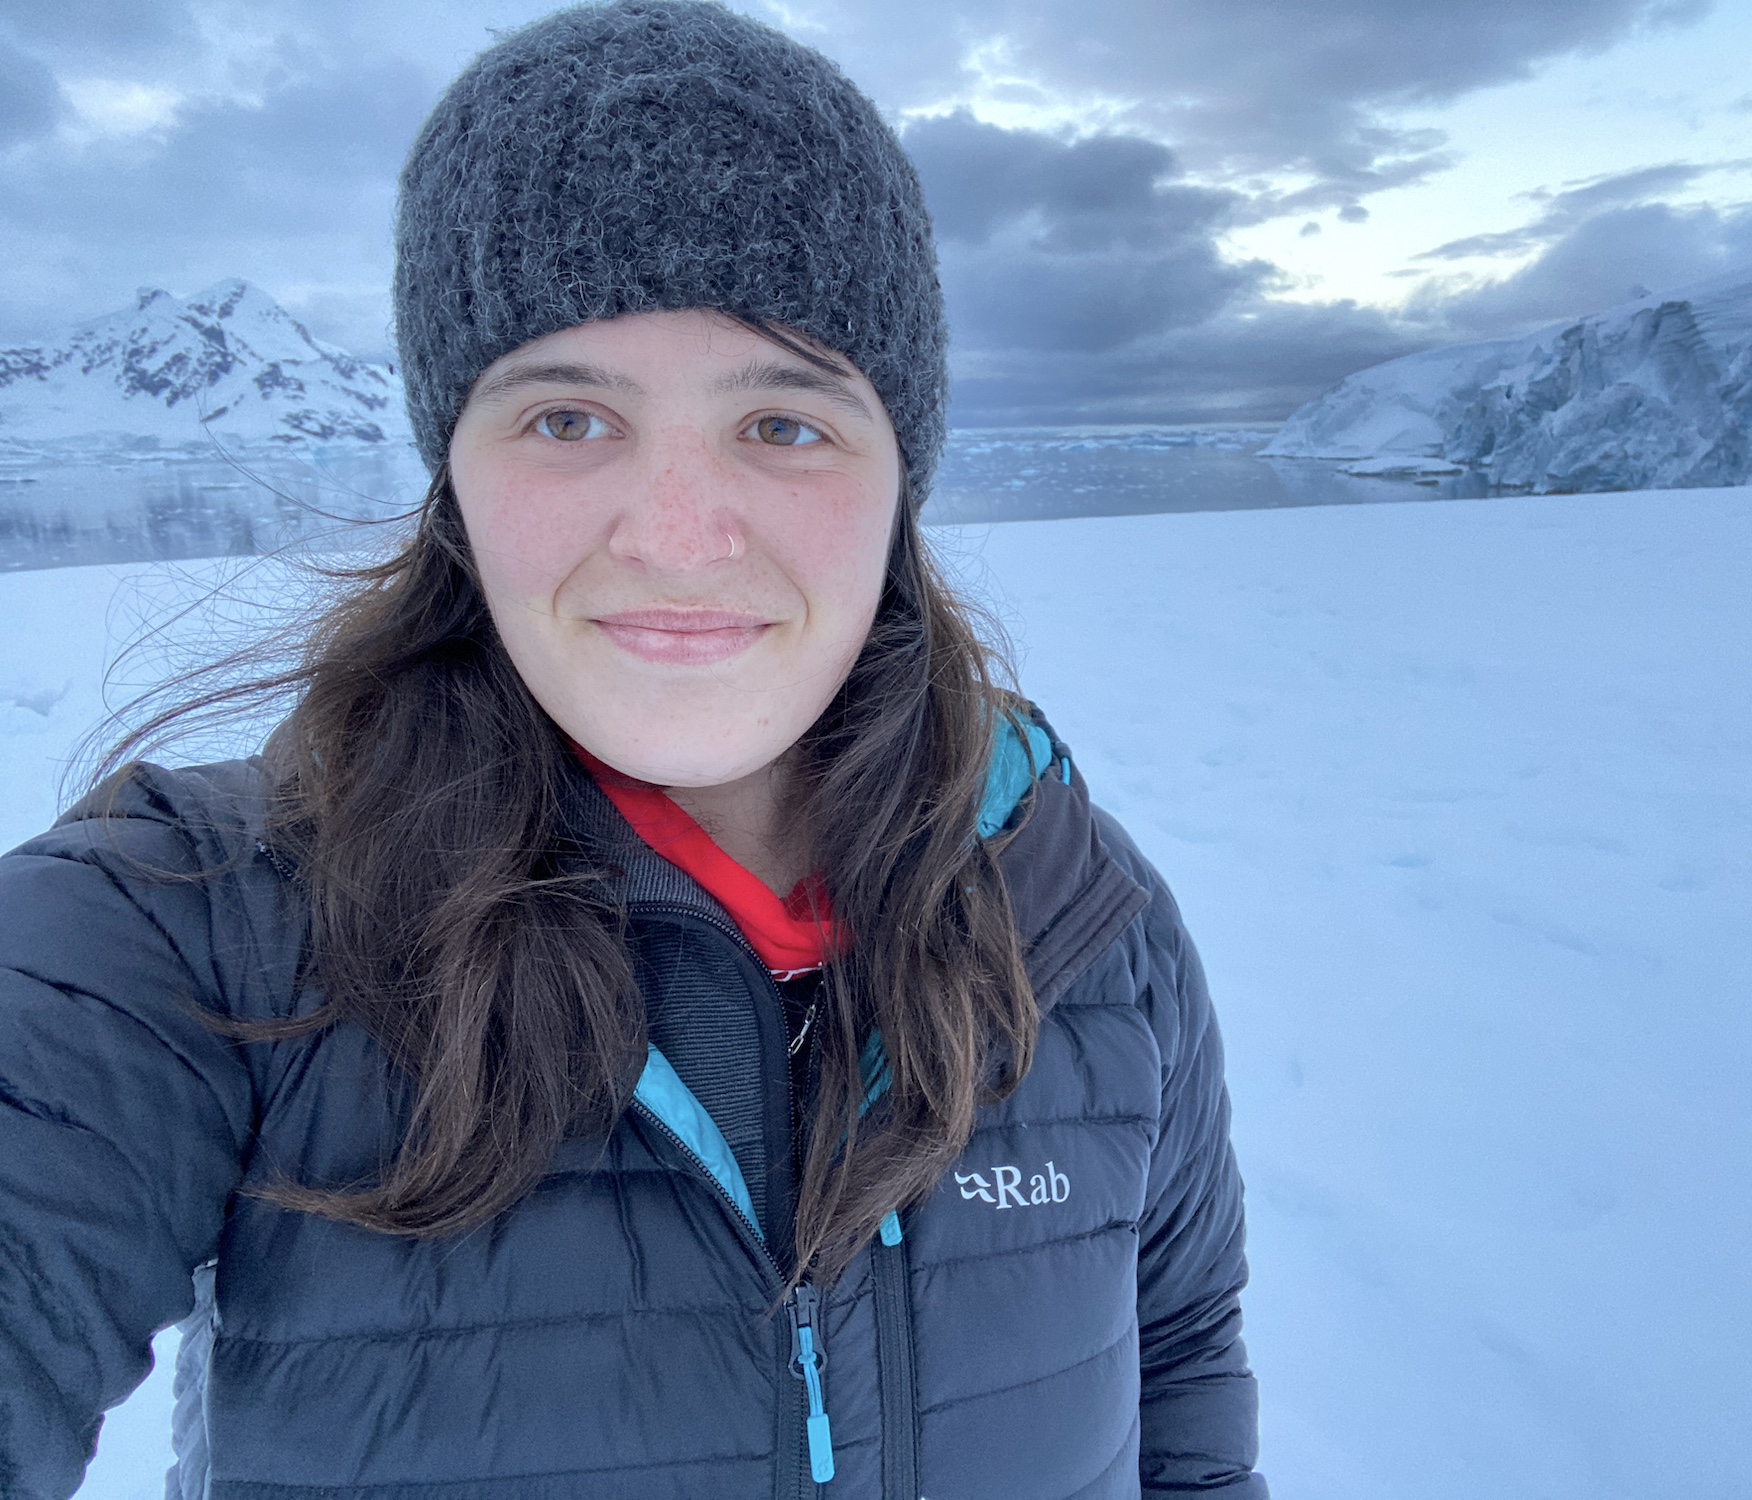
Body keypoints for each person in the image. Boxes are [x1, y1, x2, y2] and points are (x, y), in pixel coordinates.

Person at [0, 4, 1264, 1496]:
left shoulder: (1078, 927)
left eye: (785, 424)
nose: (676, 536)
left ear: (897, 477)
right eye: (567, 416)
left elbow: (1178, 1367)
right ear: (451, 472)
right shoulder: (188, 933)